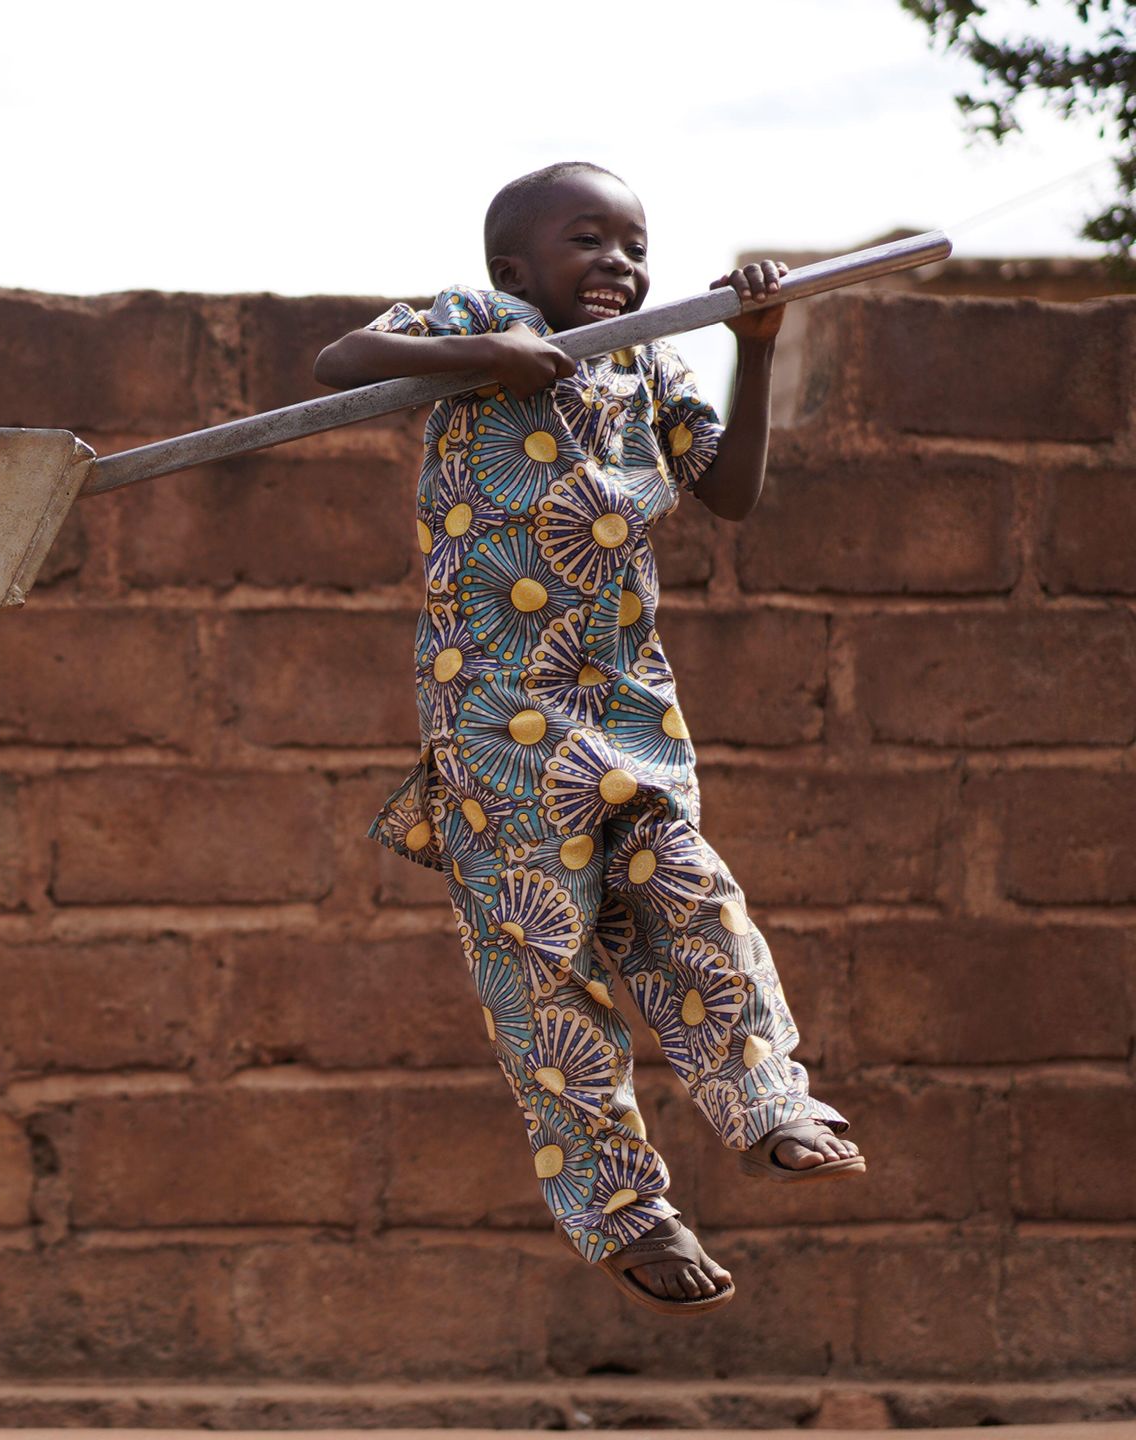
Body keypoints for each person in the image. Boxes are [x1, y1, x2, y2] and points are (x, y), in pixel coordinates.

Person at [312, 161, 866, 1316]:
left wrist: (755, 343)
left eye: (634, 244)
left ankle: (766, 1102)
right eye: (588, 241)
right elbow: (341, 362)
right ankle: (624, 1212)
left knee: (692, 898)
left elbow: (731, 494)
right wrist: (484, 360)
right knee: (543, 961)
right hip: (493, 723)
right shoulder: (481, 319)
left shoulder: (654, 357)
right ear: (516, 269)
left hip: (624, 710)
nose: (619, 264)